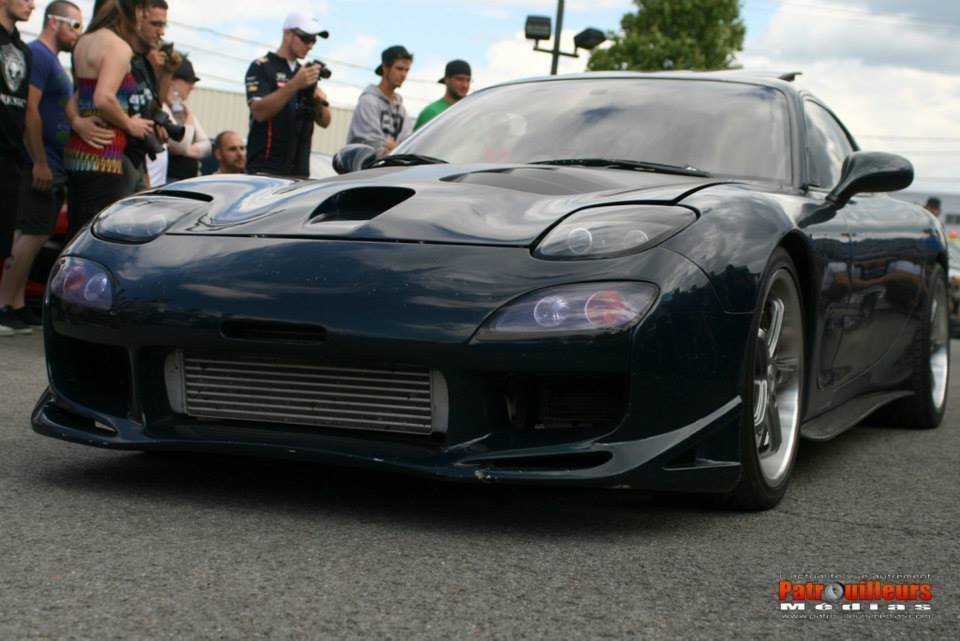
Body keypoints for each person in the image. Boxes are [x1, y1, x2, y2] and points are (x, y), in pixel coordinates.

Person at [0, 1, 86, 333]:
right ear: (54, 23)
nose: (78, 34)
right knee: (31, 232)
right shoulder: (36, 55)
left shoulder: (47, 60)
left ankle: (17, 302)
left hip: (51, 161)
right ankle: (5, 302)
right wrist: (38, 161)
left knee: (38, 231)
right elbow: (30, 110)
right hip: (39, 162)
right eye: (75, 25)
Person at [63, 0, 153, 240]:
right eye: (142, 11)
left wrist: (77, 121)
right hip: (104, 157)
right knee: (96, 237)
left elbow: (76, 96)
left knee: (74, 234)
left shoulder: (83, 41)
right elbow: (103, 98)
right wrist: (130, 123)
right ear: (131, 12)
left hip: (77, 152)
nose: (142, 19)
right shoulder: (118, 47)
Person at [244, 12, 331, 178]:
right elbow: (259, 112)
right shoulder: (261, 66)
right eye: (306, 38)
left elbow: (325, 122)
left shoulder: (305, 72)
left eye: (314, 40)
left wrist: (320, 100)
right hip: (265, 168)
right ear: (287, 33)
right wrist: (294, 85)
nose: (310, 45)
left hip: (299, 171)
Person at [0, 0, 35, 336]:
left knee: (6, 236)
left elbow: (27, 111)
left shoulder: (21, 48)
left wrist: (34, 157)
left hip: (12, 157)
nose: (32, 4)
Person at [347, 45, 413, 157]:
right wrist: (396, 148)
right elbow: (371, 143)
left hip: (391, 170)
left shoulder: (401, 109)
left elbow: (408, 145)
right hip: (363, 171)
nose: (403, 75)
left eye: (406, 70)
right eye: (399, 69)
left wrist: (392, 146)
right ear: (385, 68)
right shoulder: (368, 101)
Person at [165, 57, 209, 181]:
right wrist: (189, 118)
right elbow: (181, 145)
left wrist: (185, 151)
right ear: (173, 80)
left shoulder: (183, 109)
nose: (192, 87)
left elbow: (207, 146)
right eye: (188, 81)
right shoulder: (162, 107)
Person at [414, 59, 470, 131]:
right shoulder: (431, 112)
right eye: (460, 79)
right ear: (447, 79)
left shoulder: (470, 111)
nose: (465, 85)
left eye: (468, 80)